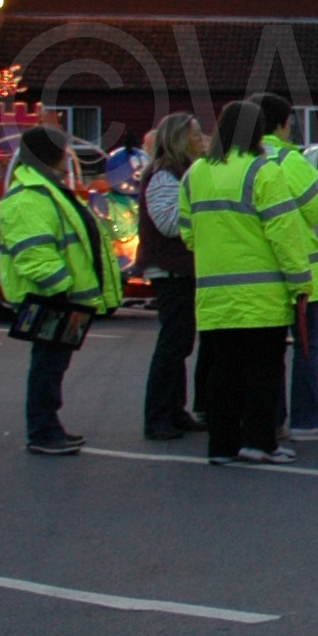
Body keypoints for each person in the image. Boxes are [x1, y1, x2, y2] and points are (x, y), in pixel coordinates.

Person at [187, 97, 312, 464]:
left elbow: (187, 231)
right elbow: (284, 234)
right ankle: (258, 442)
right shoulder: (263, 171)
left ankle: (221, 446)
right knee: (263, 372)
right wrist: (300, 282)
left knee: (222, 372)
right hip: (261, 295)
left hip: (214, 293)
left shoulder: (196, 173)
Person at [0, 124, 125, 455]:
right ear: (52, 155)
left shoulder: (45, 189)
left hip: (63, 298)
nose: (66, 158)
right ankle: (42, 430)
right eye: (62, 152)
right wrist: (61, 288)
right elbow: (33, 251)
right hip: (54, 298)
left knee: (52, 366)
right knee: (47, 366)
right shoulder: (30, 196)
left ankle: (49, 426)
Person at [250, 94, 318, 444]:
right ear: (283, 123)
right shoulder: (289, 160)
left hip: (254, 275)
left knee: (264, 355)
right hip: (300, 272)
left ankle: (270, 421)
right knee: (307, 349)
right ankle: (307, 419)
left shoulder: (235, 159)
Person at [136, 112, 207, 440]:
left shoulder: (180, 173)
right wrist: (204, 214)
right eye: (194, 135)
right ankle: (158, 416)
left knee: (180, 344)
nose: (200, 140)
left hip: (180, 268)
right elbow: (167, 223)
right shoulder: (165, 175)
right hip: (171, 269)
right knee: (172, 344)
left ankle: (175, 410)